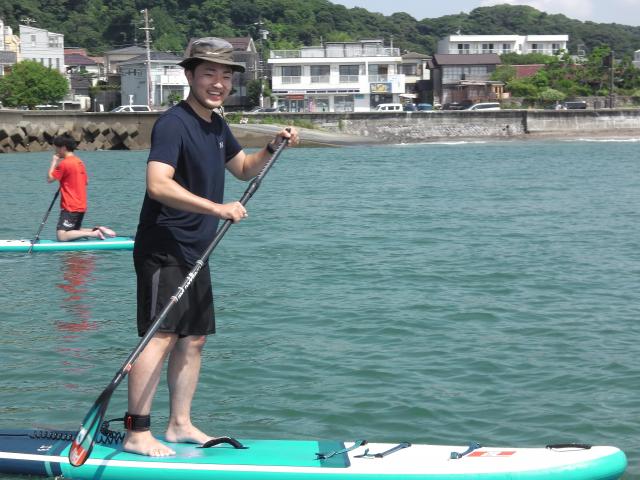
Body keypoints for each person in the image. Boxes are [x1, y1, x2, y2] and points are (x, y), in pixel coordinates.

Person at [124, 37, 299, 457]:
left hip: (197, 250)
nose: (218, 83)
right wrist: (216, 208)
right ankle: (137, 432)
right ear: (189, 75)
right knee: (162, 336)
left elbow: (243, 169)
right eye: (209, 73)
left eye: (225, 75)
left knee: (194, 338)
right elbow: (158, 184)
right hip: (164, 246)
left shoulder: (217, 125)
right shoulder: (173, 123)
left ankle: (179, 424)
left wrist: (270, 147)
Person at [47, 134, 116, 241]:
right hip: (81, 205)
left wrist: (54, 162)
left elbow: (50, 179)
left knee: (61, 236)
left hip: (70, 206)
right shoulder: (79, 162)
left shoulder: (64, 164)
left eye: (56, 148)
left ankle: (94, 233)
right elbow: (86, 181)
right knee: (74, 230)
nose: (55, 151)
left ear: (63, 148)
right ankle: (98, 230)